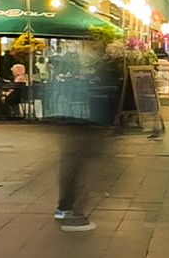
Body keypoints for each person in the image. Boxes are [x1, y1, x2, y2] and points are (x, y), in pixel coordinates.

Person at [51, 46, 125, 231]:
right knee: (85, 166)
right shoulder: (101, 69)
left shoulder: (74, 67)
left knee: (72, 163)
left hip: (72, 120)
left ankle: (65, 207)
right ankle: (74, 214)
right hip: (89, 122)